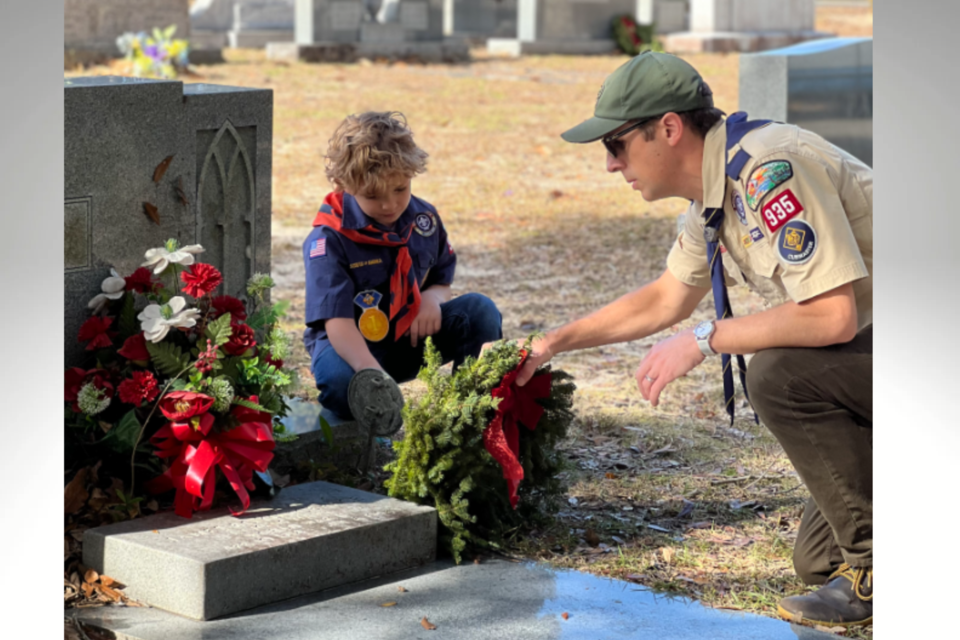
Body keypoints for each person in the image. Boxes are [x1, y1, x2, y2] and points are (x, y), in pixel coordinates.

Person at [514, 52, 873, 627]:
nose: (610, 165)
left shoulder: (767, 169)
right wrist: (551, 343)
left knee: (778, 373)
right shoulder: (714, 192)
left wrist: (707, 338)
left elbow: (832, 318)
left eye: (616, 145)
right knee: (816, 560)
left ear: (670, 128)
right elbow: (665, 299)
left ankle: (876, 574)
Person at [303, 111, 502, 434]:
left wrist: (431, 300)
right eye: (373, 196)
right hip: (350, 346)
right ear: (345, 185)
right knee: (342, 388)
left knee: (479, 311)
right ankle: (374, 406)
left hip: (407, 336)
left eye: (400, 189)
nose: (389, 204)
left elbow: (441, 278)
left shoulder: (423, 220)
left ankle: (469, 414)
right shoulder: (328, 239)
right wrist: (370, 374)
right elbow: (337, 323)